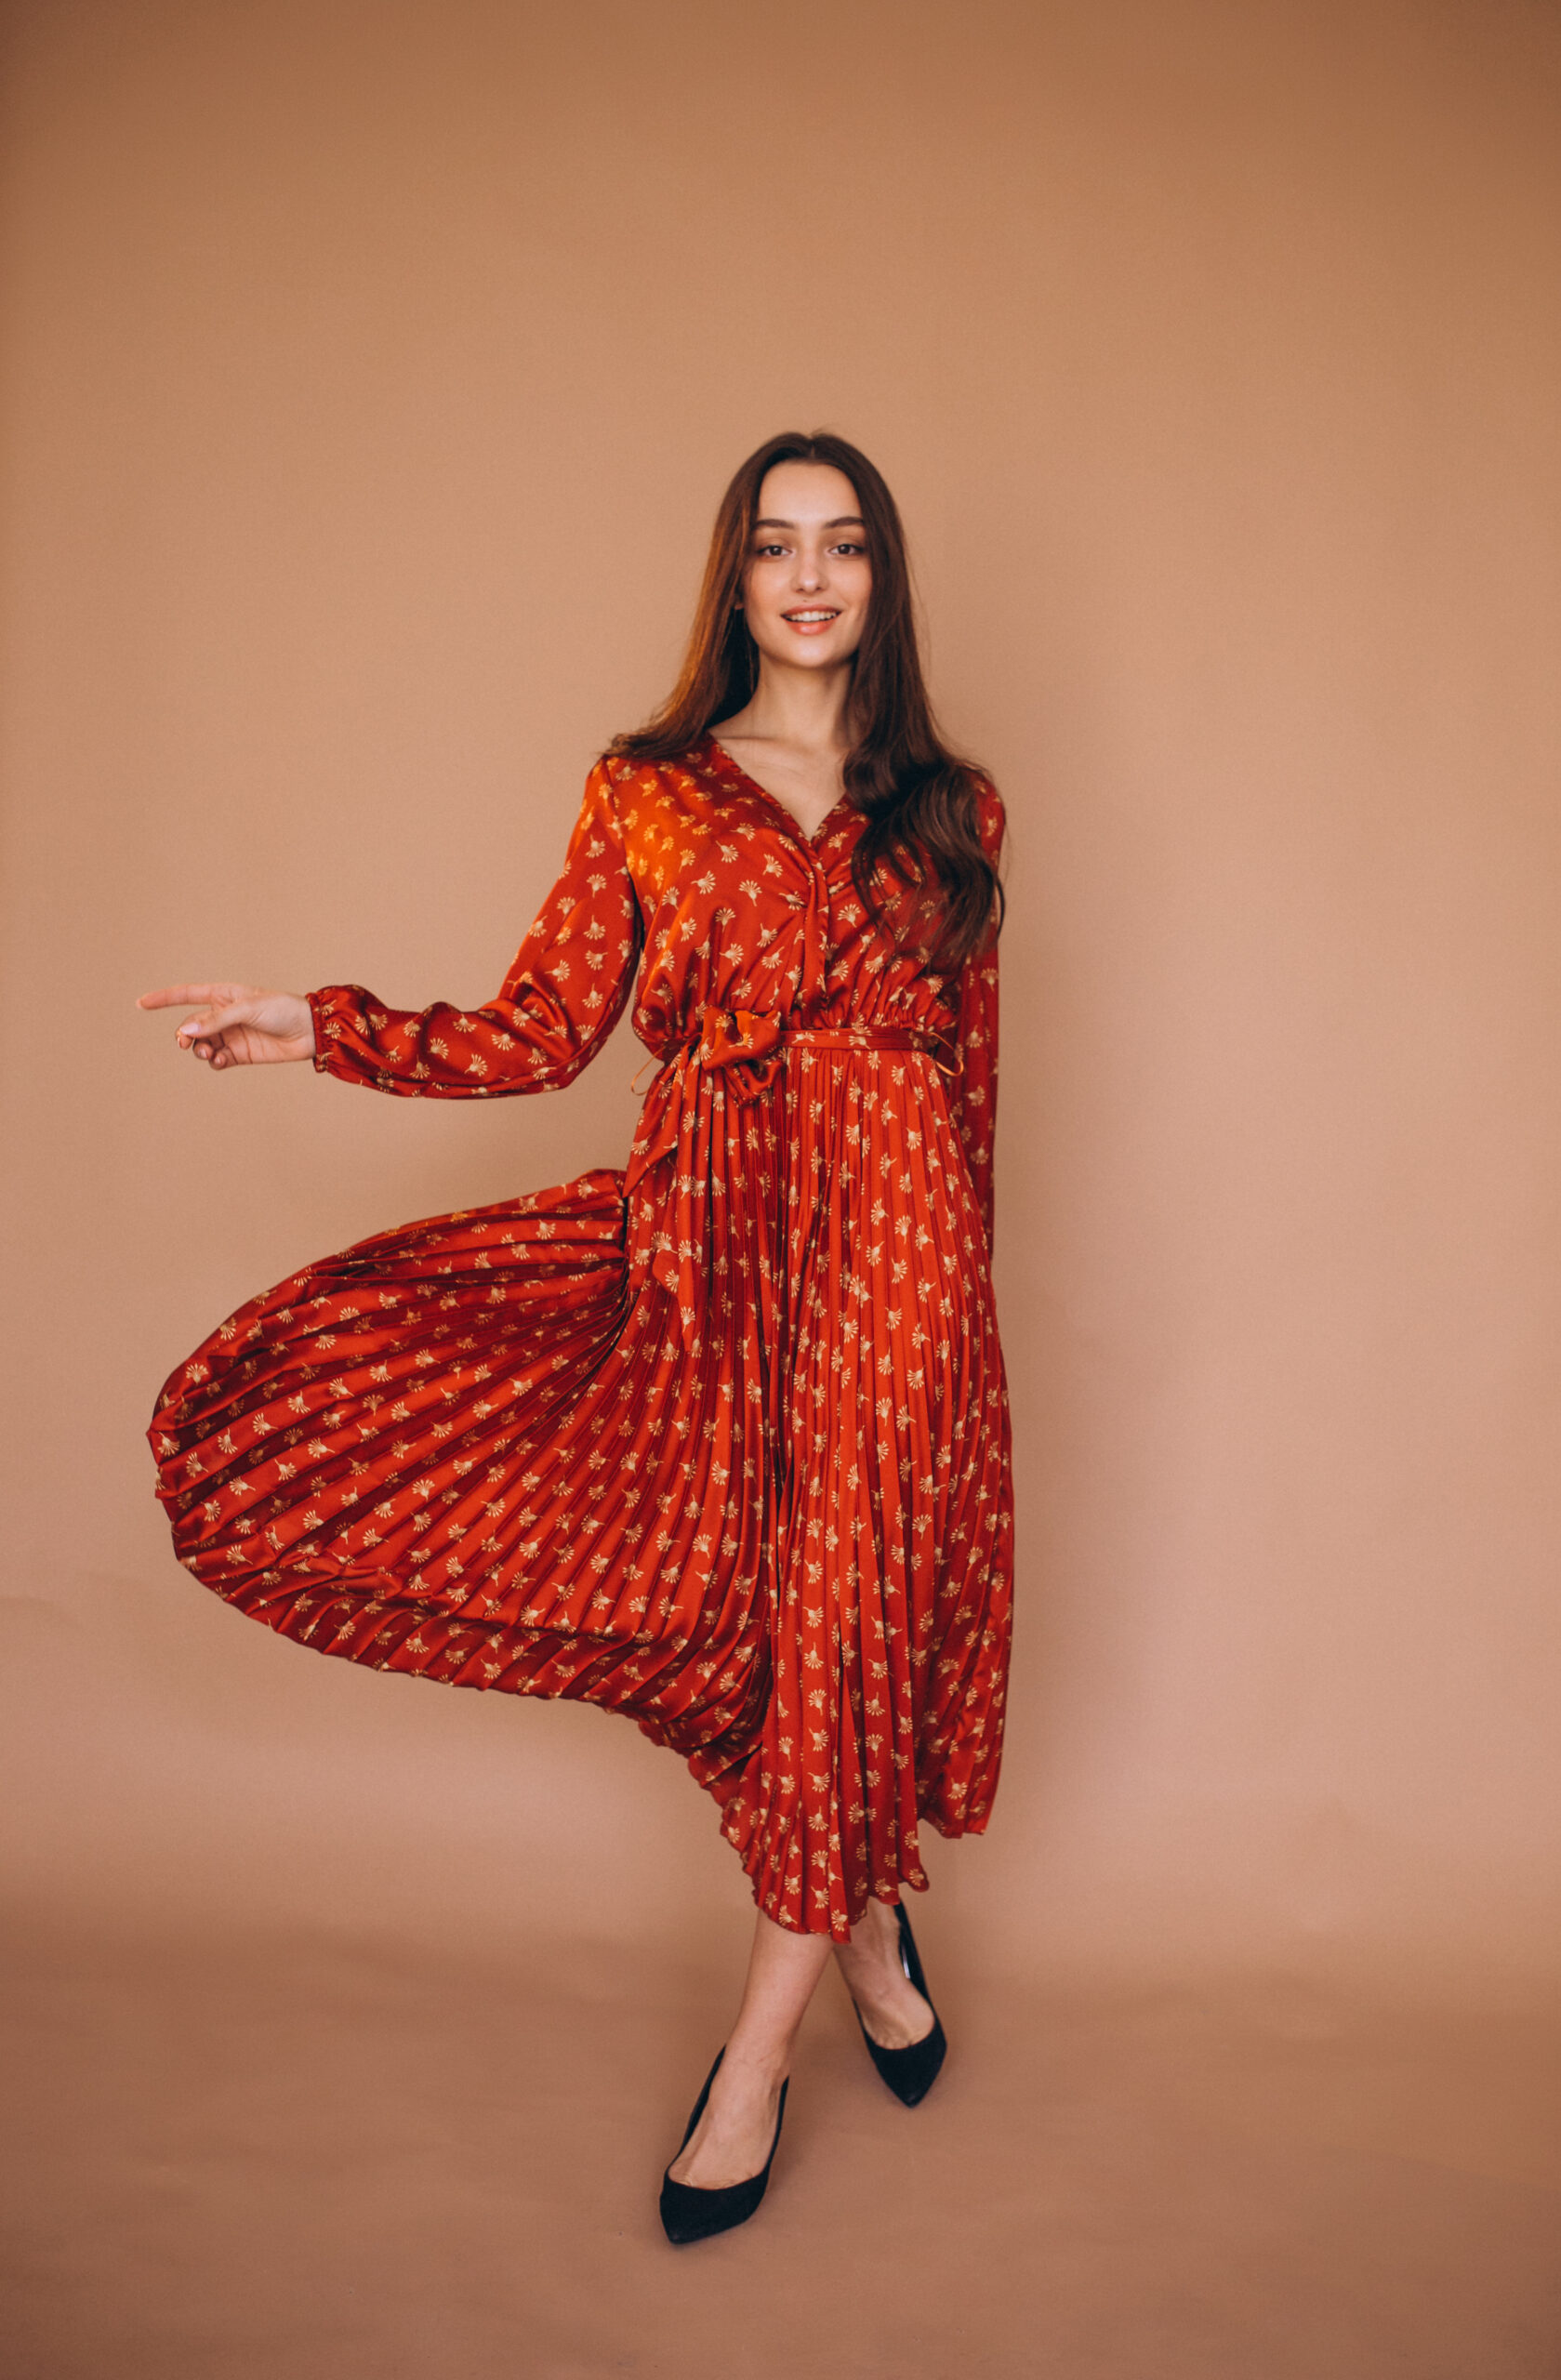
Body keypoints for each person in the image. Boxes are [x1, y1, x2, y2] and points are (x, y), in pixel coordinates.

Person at [139, 429, 1012, 2244]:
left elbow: (971, 1082)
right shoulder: (646, 791)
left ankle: (752, 2060)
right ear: (736, 574)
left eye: (843, 544)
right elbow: (543, 1028)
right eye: (775, 543)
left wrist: (962, 1351)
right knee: (724, 1613)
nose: (809, 575)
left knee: (842, 1604)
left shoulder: (953, 803)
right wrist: (322, 1023)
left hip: (899, 1259)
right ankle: (870, 1935)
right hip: (710, 1240)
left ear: (880, 578)